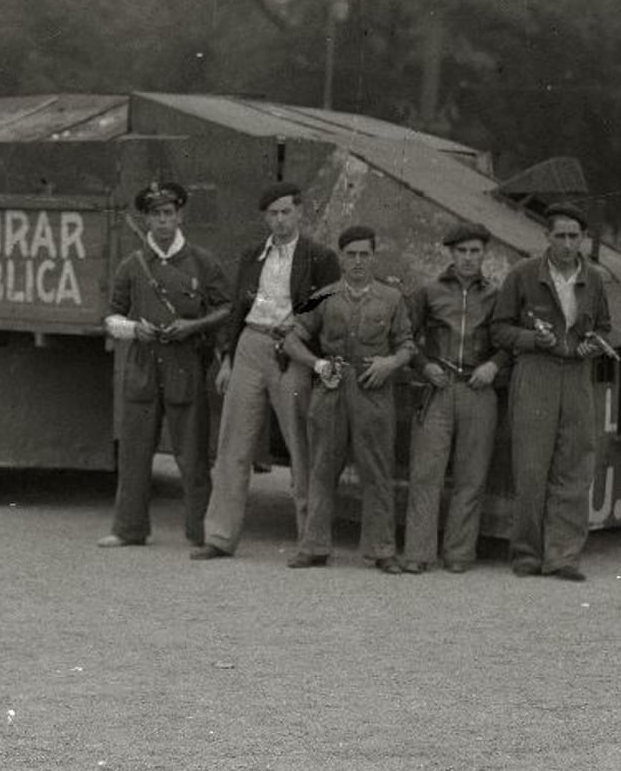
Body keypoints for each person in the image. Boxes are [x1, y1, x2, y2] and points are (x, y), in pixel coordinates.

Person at [191, 183, 340, 560]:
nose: (280, 220)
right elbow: (237, 310)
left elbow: (327, 306)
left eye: (286, 212)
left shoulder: (319, 257)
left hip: (292, 349)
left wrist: (302, 342)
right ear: (265, 217)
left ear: (300, 212)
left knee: (300, 444)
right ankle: (220, 537)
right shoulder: (252, 256)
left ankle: (311, 541)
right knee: (232, 443)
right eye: (272, 214)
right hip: (251, 345)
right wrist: (226, 358)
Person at [98, 182, 231, 548]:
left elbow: (225, 309)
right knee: (134, 453)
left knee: (193, 455)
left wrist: (193, 326)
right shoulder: (132, 265)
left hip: (184, 365)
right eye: (156, 215)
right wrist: (132, 329)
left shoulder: (203, 262)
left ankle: (201, 532)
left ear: (179, 216)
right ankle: (128, 529)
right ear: (147, 218)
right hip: (142, 365)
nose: (163, 221)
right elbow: (110, 317)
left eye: (168, 213)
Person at [282, 225, 416, 573]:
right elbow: (291, 339)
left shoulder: (392, 298)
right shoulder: (320, 296)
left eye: (364, 254)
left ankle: (382, 549)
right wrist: (317, 363)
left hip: (373, 390)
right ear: (341, 257)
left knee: (377, 469)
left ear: (374, 256)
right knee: (322, 467)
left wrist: (390, 362)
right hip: (331, 387)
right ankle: (314, 546)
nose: (357, 261)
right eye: (351, 254)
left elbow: (407, 345)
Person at [491, 203, 612, 582]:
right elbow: (499, 329)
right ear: (546, 237)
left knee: (574, 467)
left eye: (573, 236)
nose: (566, 243)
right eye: (559, 235)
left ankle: (563, 555)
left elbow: (606, 327)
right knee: (530, 467)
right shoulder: (523, 275)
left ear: (584, 240)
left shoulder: (594, 279)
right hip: (535, 373)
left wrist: (595, 343)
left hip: (577, 374)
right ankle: (526, 553)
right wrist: (532, 338)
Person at [401, 222, 509, 574]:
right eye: (462, 251)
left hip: (478, 390)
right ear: (451, 253)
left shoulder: (496, 295)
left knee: (471, 476)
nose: (468, 258)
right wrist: (423, 365)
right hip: (439, 389)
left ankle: (459, 553)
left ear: (483, 254)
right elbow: (404, 336)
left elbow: (508, 341)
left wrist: (494, 365)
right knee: (426, 473)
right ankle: (418, 553)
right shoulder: (429, 292)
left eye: (475, 251)